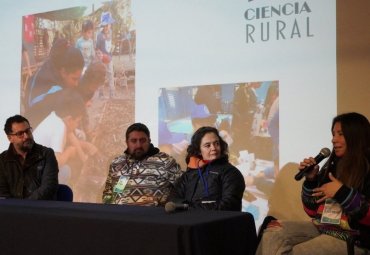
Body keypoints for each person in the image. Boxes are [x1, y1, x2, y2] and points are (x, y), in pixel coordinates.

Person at [256, 112, 370, 255]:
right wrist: (311, 180)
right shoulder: (332, 165)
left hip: (355, 238)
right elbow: (312, 211)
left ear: (355, 136)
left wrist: (341, 192)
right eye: (333, 134)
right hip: (324, 227)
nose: (334, 139)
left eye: (340, 134)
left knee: (298, 252)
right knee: (273, 232)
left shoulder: (367, 167)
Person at [102, 123, 182, 206]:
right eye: (134, 141)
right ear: (127, 142)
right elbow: (108, 193)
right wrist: (108, 211)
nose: (138, 145)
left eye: (142, 140)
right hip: (120, 216)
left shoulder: (166, 161)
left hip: (154, 217)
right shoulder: (117, 163)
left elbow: (182, 190)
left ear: (149, 141)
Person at [170, 126, 246, 211]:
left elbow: (229, 205)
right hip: (188, 222)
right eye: (207, 145)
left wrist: (191, 208)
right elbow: (174, 199)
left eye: (216, 143)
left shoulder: (231, 173)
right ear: (199, 150)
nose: (213, 148)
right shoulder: (189, 174)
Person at [0, 115, 59, 199]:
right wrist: (16, 209)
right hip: (12, 210)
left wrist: (25, 207)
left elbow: (49, 187)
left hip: (41, 209)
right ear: (10, 138)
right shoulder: (2, 160)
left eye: (28, 131)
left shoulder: (46, 154)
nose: (26, 136)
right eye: (20, 134)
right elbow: (2, 193)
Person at [96, 11, 115, 98]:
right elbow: (97, 48)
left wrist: (112, 49)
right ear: (103, 25)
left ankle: (112, 93)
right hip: (102, 58)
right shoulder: (99, 35)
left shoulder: (110, 32)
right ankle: (101, 93)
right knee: (102, 76)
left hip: (109, 58)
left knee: (111, 75)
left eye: (109, 24)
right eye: (106, 25)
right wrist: (101, 55)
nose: (108, 26)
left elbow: (110, 44)